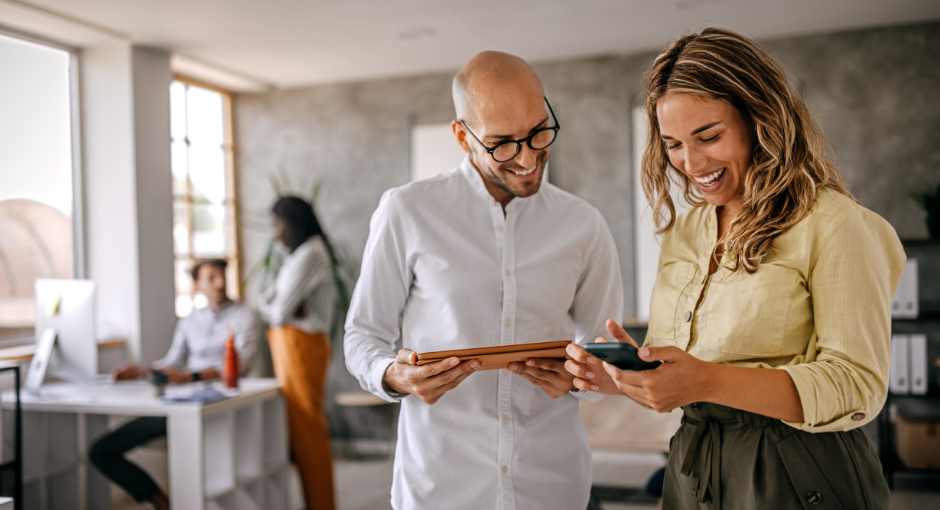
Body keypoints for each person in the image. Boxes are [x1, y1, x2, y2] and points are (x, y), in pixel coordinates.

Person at [565, 28, 905, 509]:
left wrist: (706, 380)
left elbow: (856, 386)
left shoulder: (834, 224)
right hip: (693, 471)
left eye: (709, 136)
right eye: (673, 144)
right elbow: (684, 376)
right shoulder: (685, 233)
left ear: (760, 119)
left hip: (799, 469)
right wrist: (622, 377)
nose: (690, 161)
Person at [344, 51, 624, 510]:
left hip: (554, 484)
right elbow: (362, 335)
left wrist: (579, 379)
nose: (528, 156)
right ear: (462, 135)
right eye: (503, 143)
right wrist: (396, 375)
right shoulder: (407, 211)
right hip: (441, 485)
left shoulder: (585, 225)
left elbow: (604, 351)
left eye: (538, 132)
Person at [89, 259, 259, 510]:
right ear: (197, 284)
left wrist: (191, 377)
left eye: (222, 275)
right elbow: (173, 363)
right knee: (101, 451)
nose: (221, 283)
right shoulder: (189, 321)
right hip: (181, 404)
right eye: (211, 277)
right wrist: (141, 371)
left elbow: (240, 366)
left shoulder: (244, 315)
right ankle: (161, 502)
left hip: (220, 405)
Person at [258, 195, 337, 510]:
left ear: (292, 222)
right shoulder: (295, 255)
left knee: (308, 431)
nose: (275, 232)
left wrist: (276, 304)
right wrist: (276, 304)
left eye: (278, 223)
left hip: (302, 347)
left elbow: (276, 312)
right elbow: (268, 299)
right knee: (301, 432)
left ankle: (321, 505)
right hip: (291, 345)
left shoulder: (310, 254)